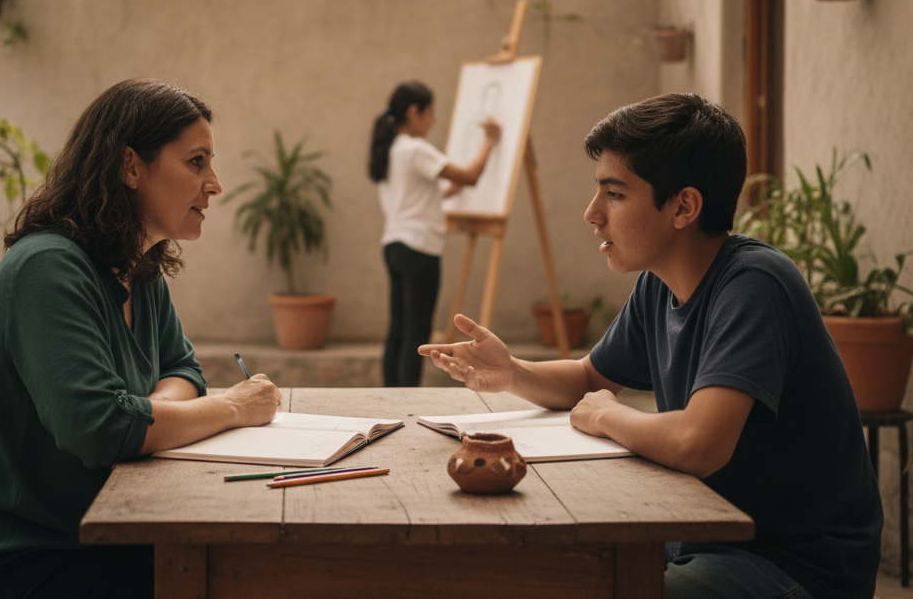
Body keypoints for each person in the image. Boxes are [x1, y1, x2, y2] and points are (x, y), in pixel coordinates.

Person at [420, 93, 882, 599]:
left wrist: (606, 417)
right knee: (539, 568)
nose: (592, 213)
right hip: (700, 532)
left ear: (683, 206)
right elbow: (591, 380)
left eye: (614, 194)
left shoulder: (755, 285)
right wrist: (512, 373)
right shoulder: (659, 284)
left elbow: (698, 443)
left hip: (794, 564)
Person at [0, 79, 283, 599]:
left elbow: (184, 371)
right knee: (241, 578)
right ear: (130, 166)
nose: (214, 183)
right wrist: (235, 407)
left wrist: (143, 413)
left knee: (251, 566)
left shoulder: (138, 268)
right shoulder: (47, 268)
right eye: (196, 161)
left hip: (82, 538)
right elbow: (99, 429)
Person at [368, 80, 500, 387]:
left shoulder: (390, 149)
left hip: (394, 245)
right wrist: (490, 141)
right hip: (420, 248)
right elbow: (469, 177)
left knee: (399, 327)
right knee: (417, 331)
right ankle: (407, 400)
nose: (433, 120)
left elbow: (429, 194)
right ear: (414, 113)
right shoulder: (415, 149)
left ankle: (392, 396)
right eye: (430, 113)